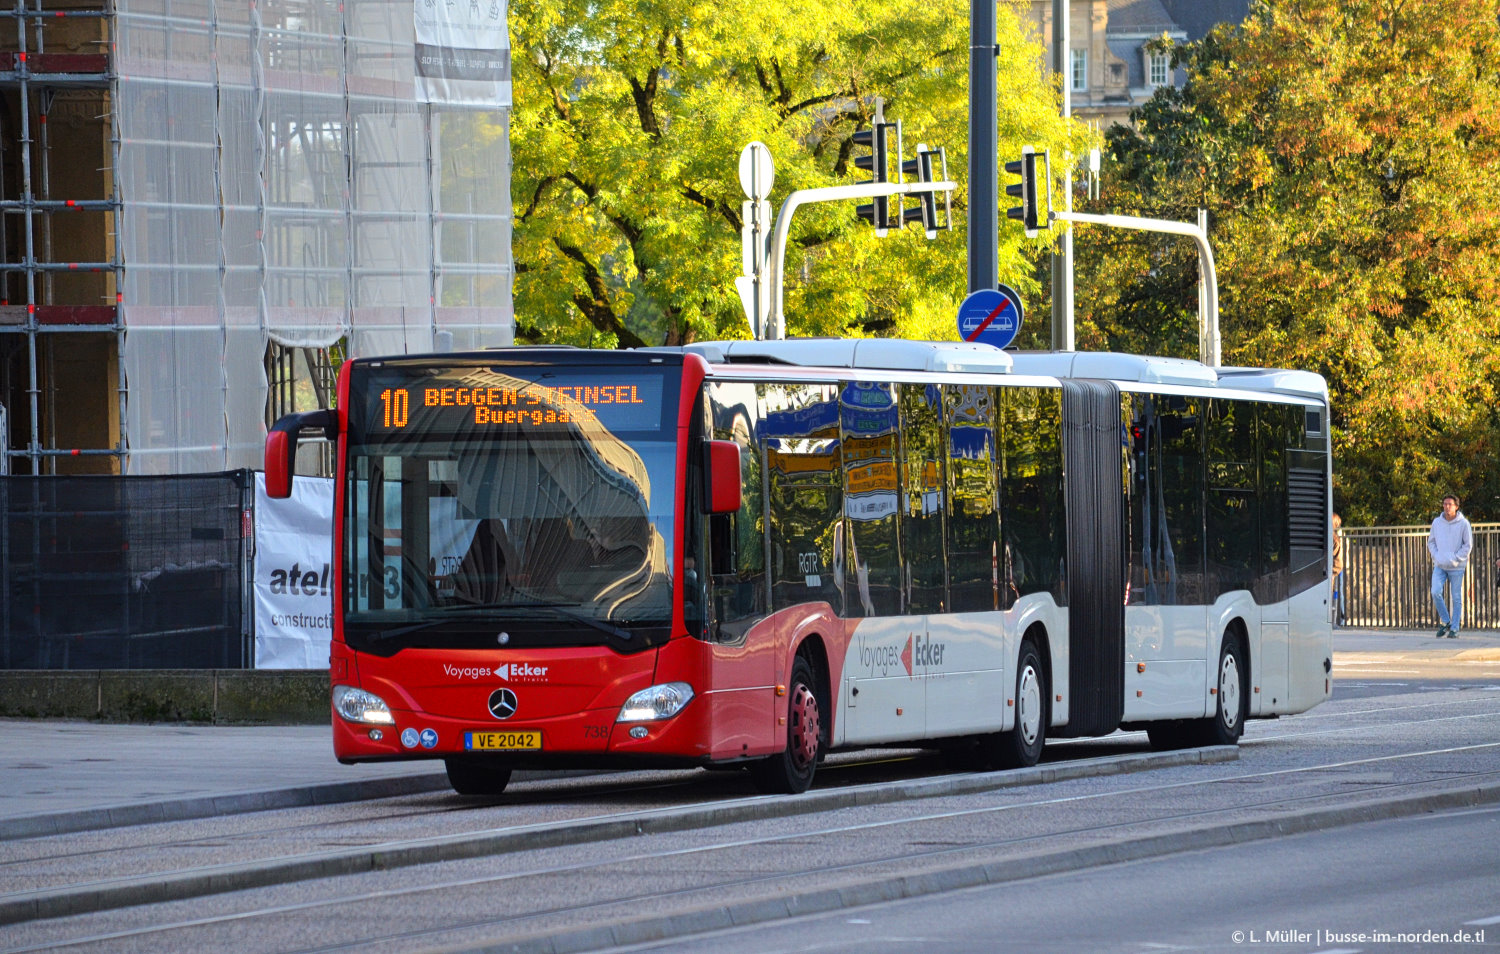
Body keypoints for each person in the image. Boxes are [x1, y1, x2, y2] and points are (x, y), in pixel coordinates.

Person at [1426, 494, 1473, 638]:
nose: (1447, 507)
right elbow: (1431, 542)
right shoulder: (1437, 522)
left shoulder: (1463, 523)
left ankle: (1455, 628)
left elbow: (1468, 545)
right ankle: (1446, 621)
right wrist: (1437, 556)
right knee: (1435, 591)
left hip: (1457, 566)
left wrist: (1456, 558)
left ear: (1456, 507)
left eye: (1450, 504)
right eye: (1445, 504)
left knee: (1456, 597)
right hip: (1440, 565)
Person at [1330, 513, 1344, 625]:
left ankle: (1336, 620)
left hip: (1330, 573)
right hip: (1331, 572)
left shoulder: (1334, 540)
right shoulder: (1335, 539)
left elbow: (1338, 563)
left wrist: (1331, 573)